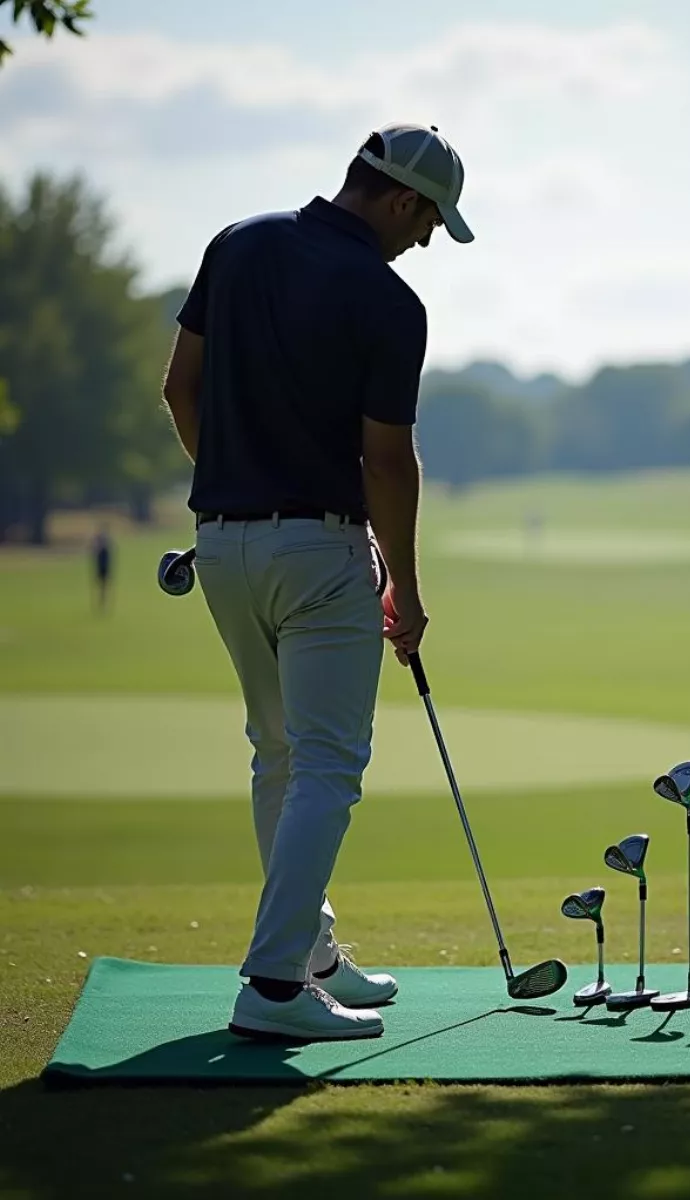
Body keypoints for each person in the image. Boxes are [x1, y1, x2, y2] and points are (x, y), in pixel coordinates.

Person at [162, 123, 473, 1041]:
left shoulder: (238, 242)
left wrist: (234, 485)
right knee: (328, 766)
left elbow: (182, 388)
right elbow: (387, 461)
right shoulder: (389, 301)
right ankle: (274, 990)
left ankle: (310, 953)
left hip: (219, 548)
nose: (424, 243)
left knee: (280, 754)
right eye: (429, 223)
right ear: (405, 201)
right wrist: (404, 588)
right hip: (320, 553)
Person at [91, 524, 113, 614]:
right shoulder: (100, 547)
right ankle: (101, 604)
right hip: (101, 569)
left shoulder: (105, 548)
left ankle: (103, 604)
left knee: (104, 588)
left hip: (105, 570)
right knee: (101, 588)